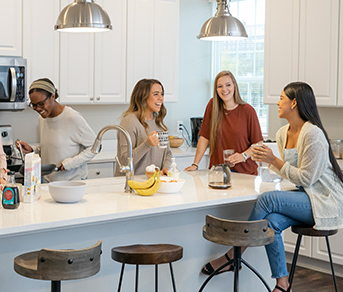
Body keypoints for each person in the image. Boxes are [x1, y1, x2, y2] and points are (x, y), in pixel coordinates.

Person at [201, 82, 343, 292]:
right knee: (270, 223)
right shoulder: (283, 132)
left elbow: (306, 179)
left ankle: (234, 255)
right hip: (306, 197)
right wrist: (269, 162)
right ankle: (283, 285)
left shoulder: (312, 134)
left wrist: (273, 161)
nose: (277, 102)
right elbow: (291, 175)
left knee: (268, 199)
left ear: (294, 103)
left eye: (281, 98)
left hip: (324, 200)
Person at [184, 71, 263, 175]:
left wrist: (243, 156)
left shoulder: (248, 111)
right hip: (218, 172)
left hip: (244, 172)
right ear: (216, 90)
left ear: (234, 86)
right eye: (220, 86)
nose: (224, 89)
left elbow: (258, 143)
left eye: (228, 85)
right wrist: (195, 164)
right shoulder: (213, 106)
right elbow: (204, 137)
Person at [17, 78, 96, 182]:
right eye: (34, 105)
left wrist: (71, 163)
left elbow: (95, 146)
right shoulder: (42, 119)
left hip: (73, 182)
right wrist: (32, 150)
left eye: (41, 104)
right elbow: (52, 149)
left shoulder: (71, 117)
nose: (37, 108)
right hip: (49, 181)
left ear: (52, 97)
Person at [116, 78, 172, 176]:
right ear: (143, 97)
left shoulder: (158, 122)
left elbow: (167, 153)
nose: (161, 98)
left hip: (154, 181)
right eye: (156, 94)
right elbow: (125, 161)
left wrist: (166, 168)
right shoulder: (130, 122)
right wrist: (147, 144)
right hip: (131, 183)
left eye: (162, 94)